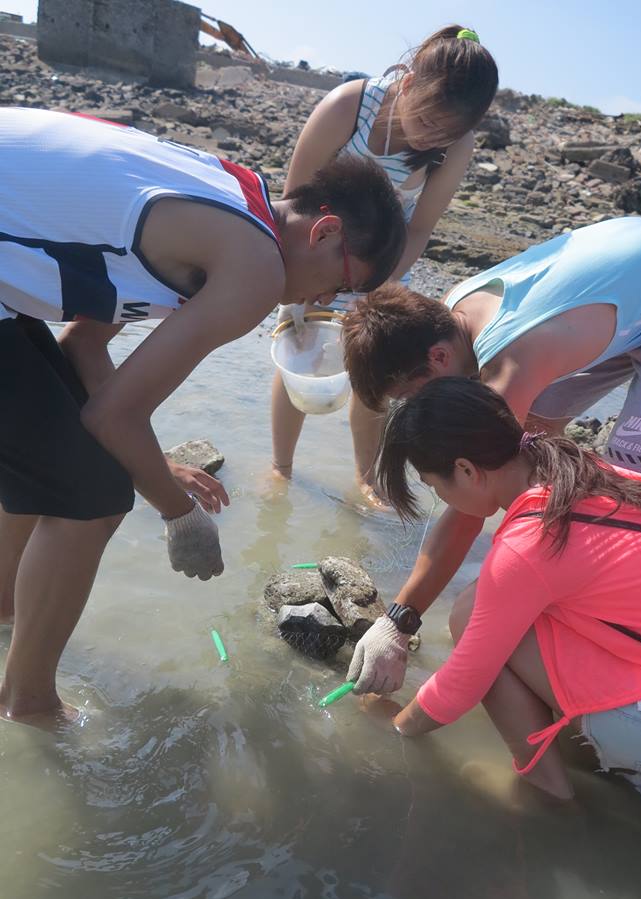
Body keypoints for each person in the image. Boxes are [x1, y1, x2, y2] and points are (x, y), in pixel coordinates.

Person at [0, 107, 406, 724]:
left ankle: (7, 611)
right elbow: (112, 416)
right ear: (325, 232)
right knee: (95, 495)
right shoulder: (257, 266)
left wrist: (155, 462)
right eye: (339, 285)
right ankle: (27, 705)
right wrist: (179, 514)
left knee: (61, 462)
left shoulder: (235, 193)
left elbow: (82, 346)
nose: (323, 300)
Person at [342, 214, 641, 694]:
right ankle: (550, 568)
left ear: (437, 357)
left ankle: (638, 628)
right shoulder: (448, 313)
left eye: (412, 396)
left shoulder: (510, 364)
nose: (420, 409)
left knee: (615, 496)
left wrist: (400, 619)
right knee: (527, 438)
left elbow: (469, 507)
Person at [368, 377, 641, 799]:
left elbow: (462, 686)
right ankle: (594, 752)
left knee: (470, 617)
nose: (443, 498)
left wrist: (394, 727)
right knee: (500, 609)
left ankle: (547, 791)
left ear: (465, 470)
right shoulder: (580, 471)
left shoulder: (532, 541)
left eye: (435, 486)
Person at [270, 25, 498, 505]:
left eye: (445, 132)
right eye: (427, 120)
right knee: (299, 355)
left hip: (387, 267)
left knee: (377, 375)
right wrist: (315, 279)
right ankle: (281, 467)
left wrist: (375, 282)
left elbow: (419, 228)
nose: (430, 136)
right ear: (408, 83)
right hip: (318, 254)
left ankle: (366, 477)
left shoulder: (455, 146)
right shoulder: (349, 107)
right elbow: (295, 201)